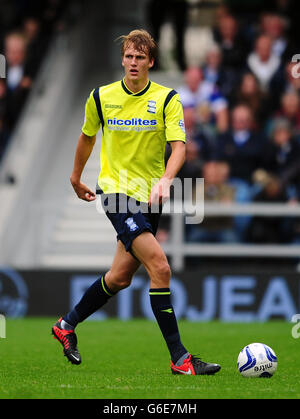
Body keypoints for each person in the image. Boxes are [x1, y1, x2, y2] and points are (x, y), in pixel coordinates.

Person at [51, 29, 221, 376]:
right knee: (160, 267)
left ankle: (66, 325)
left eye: (140, 57)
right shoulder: (101, 96)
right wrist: (74, 176)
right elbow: (87, 136)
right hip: (115, 193)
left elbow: (179, 147)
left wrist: (165, 180)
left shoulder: (167, 98)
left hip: (150, 197)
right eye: (129, 56)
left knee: (120, 277)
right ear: (122, 59)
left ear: (150, 62)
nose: (133, 62)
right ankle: (181, 359)